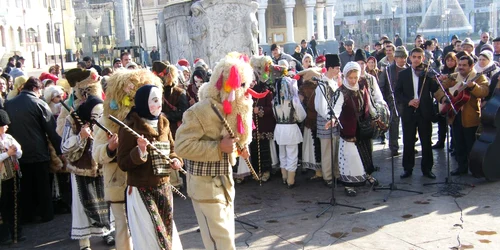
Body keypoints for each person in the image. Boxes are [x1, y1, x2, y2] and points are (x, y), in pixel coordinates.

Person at [175, 52, 255, 250]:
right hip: (204, 186)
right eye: (240, 85)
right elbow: (182, 146)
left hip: (225, 183)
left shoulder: (235, 108)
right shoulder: (199, 111)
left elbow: (235, 141)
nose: (243, 91)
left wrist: (239, 148)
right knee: (222, 242)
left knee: (223, 240)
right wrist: (219, 148)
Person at [117, 84, 183, 250]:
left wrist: (176, 161)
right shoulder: (129, 127)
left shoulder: (164, 123)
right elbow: (123, 163)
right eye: (154, 100)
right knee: (151, 237)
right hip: (141, 190)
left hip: (164, 188)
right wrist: (140, 151)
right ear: (143, 103)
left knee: (167, 235)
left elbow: (173, 150)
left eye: (160, 99)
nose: (159, 103)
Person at [5, 77, 62, 225]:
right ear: (36, 89)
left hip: (17, 152)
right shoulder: (38, 103)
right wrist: (60, 150)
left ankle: (27, 215)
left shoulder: (9, 103)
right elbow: (51, 129)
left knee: (25, 186)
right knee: (42, 185)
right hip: (38, 151)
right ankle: (46, 214)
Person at [61, 93, 115, 249]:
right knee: (82, 207)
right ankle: (84, 242)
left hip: (101, 170)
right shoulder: (73, 120)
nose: (98, 118)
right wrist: (81, 137)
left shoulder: (105, 122)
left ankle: (107, 232)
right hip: (80, 171)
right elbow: (64, 147)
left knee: (106, 205)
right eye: (95, 115)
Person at [325, 62, 374, 196]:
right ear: (345, 76)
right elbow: (336, 109)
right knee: (351, 157)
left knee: (365, 153)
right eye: (350, 77)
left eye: (355, 77)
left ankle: (366, 175)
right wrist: (333, 119)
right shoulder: (341, 92)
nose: (353, 80)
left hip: (362, 127)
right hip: (349, 129)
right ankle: (349, 184)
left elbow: (369, 103)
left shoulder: (362, 87)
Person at [435, 55, 489, 176]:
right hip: (454, 114)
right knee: (458, 143)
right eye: (459, 65)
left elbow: (484, 91)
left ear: (471, 66)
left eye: (464, 65)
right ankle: (461, 167)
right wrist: (443, 98)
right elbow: (439, 88)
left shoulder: (479, 77)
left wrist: (473, 86)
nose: (461, 67)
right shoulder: (453, 77)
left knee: (471, 145)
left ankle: (475, 169)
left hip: (470, 117)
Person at [395, 48, 439, 179]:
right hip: (409, 112)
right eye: (414, 57)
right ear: (410, 58)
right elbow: (397, 93)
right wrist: (408, 101)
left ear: (423, 58)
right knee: (408, 141)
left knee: (426, 142)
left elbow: (435, 89)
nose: (416, 59)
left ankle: (427, 169)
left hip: (424, 112)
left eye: (419, 57)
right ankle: (407, 168)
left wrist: (437, 79)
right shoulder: (403, 74)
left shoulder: (427, 73)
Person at [152, 61, 188, 189]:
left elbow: (184, 113)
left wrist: (167, 116)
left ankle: (181, 181)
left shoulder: (179, 93)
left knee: (177, 154)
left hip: (175, 130)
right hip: (161, 129)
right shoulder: (155, 91)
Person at [355, 49, 386, 179]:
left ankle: (368, 170)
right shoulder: (349, 77)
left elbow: (378, 96)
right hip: (354, 116)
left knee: (367, 143)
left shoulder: (371, 78)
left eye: (363, 63)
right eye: (358, 63)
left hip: (368, 115)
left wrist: (380, 108)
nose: (361, 66)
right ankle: (357, 170)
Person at [272, 69, 306, 188]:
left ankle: (284, 177)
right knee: (292, 154)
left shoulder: (274, 101)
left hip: (279, 128)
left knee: (282, 153)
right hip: (291, 128)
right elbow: (302, 116)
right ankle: (291, 180)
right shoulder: (294, 100)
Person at [314, 54, 342, 187]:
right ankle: (328, 176)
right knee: (327, 151)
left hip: (334, 121)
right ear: (329, 68)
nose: (338, 71)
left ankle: (336, 173)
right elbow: (319, 106)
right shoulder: (322, 84)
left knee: (335, 149)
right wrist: (329, 118)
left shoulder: (334, 82)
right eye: (337, 68)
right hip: (325, 122)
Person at [379, 46, 409, 156]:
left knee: (409, 125)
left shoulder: (410, 68)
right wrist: (384, 101)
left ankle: (409, 145)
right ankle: (394, 147)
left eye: (404, 57)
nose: (403, 60)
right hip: (393, 101)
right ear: (395, 58)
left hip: (407, 102)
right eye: (400, 57)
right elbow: (381, 86)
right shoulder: (388, 70)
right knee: (394, 125)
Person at [0, 109, 24, 243]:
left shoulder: (8, 138)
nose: (7, 126)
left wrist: (15, 151)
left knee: (14, 206)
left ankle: (16, 232)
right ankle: (5, 235)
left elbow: (19, 152)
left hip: (12, 177)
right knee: (3, 208)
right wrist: (7, 154)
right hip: (1, 180)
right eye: (4, 124)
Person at [432, 52, 458, 150]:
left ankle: (453, 144)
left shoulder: (457, 72)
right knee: (441, 122)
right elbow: (436, 85)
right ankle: (440, 141)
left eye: (452, 60)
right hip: (442, 99)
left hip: (453, 99)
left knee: (452, 123)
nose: (450, 63)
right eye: (448, 60)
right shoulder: (441, 70)